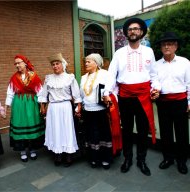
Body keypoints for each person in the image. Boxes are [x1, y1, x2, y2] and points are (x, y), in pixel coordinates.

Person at [104, 18, 159, 176]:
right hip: (125, 96)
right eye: (130, 29)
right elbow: (111, 74)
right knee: (127, 129)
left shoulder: (148, 51)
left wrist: (156, 88)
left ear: (141, 32)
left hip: (143, 96)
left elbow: (154, 74)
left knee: (143, 130)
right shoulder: (119, 53)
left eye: (136, 29)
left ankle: (141, 160)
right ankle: (128, 159)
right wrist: (106, 92)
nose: (133, 31)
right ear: (127, 33)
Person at [154, 32, 190, 174]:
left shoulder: (185, 62)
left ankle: (182, 161)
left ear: (176, 46)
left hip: (180, 102)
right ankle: (168, 158)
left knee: (182, 133)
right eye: (164, 44)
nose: (166, 47)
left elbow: (189, 83)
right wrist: (155, 89)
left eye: (170, 44)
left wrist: (189, 102)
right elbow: (154, 81)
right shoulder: (156, 65)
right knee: (166, 132)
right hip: (163, 102)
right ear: (161, 48)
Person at [38, 53, 82, 167]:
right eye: (53, 64)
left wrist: (78, 108)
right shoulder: (48, 78)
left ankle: (68, 155)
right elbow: (44, 94)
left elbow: (76, 95)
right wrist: (43, 107)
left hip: (65, 107)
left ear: (62, 65)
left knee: (66, 130)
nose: (55, 66)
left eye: (57, 64)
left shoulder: (69, 77)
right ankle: (57, 154)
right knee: (55, 130)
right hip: (53, 107)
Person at [5, 54, 45, 162]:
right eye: (16, 63)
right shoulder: (14, 77)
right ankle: (22, 151)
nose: (17, 65)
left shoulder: (34, 76)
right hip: (19, 104)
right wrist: (7, 106)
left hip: (32, 104)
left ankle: (32, 150)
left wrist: (42, 105)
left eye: (19, 63)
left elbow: (40, 92)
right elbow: (10, 92)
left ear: (25, 63)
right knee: (20, 123)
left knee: (31, 124)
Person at [79, 53, 114, 169]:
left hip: (100, 110)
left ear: (96, 63)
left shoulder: (104, 74)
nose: (86, 63)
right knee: (91, 134)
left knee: (102, 133)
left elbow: (108, 88)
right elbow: (81, 94)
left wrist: (106, 94)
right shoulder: (84, 77)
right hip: (87, 110)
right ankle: (93, 158)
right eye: (86, 61)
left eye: (89, 61)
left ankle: (105, 158)